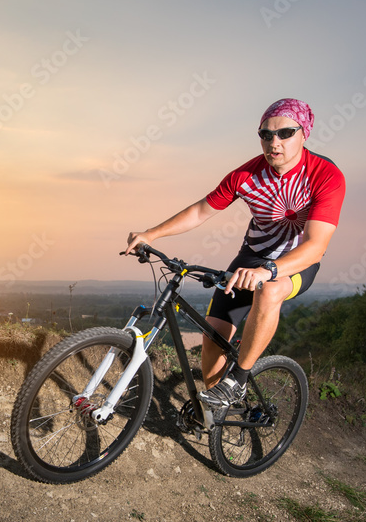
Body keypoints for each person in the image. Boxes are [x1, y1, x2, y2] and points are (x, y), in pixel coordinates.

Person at [125, 98, 345, 408]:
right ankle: (212, 410)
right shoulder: (246, 175)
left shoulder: (325, 175)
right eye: (265, 134)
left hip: (295, 262)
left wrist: (268, 271)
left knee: (269, 291)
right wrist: (151, 233)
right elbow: (201, 210)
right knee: (214, 337)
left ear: (304, 133)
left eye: (285, 133)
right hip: (251, 257)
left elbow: (315, 246)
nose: (274, 142)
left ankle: (238, 381)